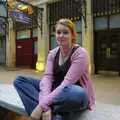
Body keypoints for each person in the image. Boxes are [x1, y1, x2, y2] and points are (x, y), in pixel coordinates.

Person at [14, 18, 95, 120]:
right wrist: (45, 106)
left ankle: (41, 109)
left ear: (73, 35)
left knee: (77, 93)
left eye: (65, 32)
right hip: (55, 91)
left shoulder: (80, 54)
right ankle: (53, 116)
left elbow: (67, 83)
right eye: (58, 32)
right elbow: (47, 78)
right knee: (20, 80)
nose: (61, 35)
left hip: (72, 94)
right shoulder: (52, 53)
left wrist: (41, 106)